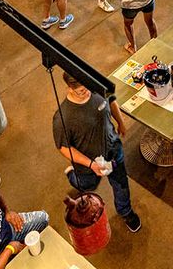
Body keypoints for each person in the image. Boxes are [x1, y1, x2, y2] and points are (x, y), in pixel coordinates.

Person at [52, 72, 142, 232]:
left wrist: (120, 122)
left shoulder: (97, 87)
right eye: (80, 90)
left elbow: (112, 101)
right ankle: (72, 174)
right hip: (88, 163)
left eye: (87, 86)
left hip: (113, 150)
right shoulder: (63, 117)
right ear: (69, 88)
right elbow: (64, 147)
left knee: (120, 183)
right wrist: (91, 165)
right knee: (89, 185)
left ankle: (126, 212)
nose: (86, 91)